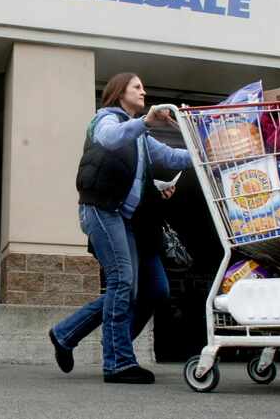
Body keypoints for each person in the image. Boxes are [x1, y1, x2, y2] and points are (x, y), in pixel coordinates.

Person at [49, 72, 192, 384]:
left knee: (133, 287)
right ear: (119, 92)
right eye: (137, 87)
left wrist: (207, 151)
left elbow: (170, 156)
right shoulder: (105, 120)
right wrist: (147, 121)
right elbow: (111, 139)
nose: (144, 92)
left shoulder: (139, 135)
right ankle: (117, 363)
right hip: (101, 211)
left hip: (125, 219)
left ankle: (66, 334)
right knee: (123, 283)